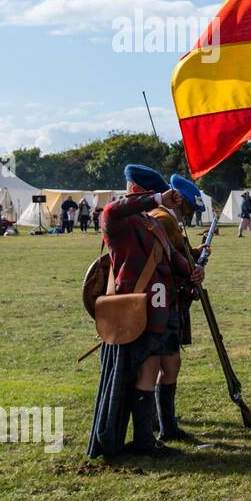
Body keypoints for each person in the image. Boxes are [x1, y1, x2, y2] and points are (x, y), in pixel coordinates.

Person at [87, 165, 202, 458]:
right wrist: (158, 199)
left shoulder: (150, 224)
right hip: (136, 310)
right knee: (146, 371)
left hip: (162, 311)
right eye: (150, 193)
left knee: (153, 369)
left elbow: (171, 257)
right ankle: (143, 442)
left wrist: (194, 270)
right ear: (137, 191)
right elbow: (114, 209)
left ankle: (147, 438)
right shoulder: (115, 218)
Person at [147, 174, 207, 441]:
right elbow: (163, 261)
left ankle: (163, 423)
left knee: (168, 364)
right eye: (191, 209)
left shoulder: (168, 219)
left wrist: (194, 253)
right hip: (161, 302)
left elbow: (177, 252)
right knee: (164, 365)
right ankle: (161, 425)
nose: (191, 215)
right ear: (179, 200)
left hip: (169, 300)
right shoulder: (162, 218)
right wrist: (191, 269)